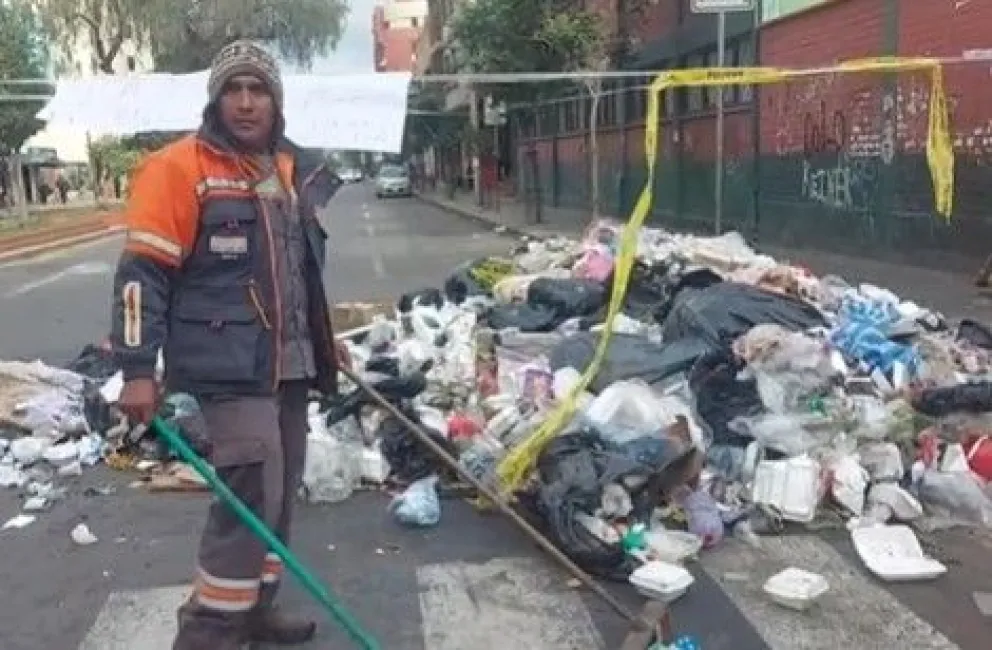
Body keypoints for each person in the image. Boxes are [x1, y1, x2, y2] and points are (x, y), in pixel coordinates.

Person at [109, 40, 348, 650]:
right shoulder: (180, 168)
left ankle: (255, 611)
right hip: (228, 367)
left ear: (276, 100)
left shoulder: (289, 170)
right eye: (233, 90)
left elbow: (299, 271)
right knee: (251, 491)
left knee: (282, 490)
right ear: (216, 99)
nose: (246, 103)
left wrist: (323, 341)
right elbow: (142, 276)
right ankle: (208, 634)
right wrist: (139, 369)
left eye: (258, 89)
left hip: (291, 364)